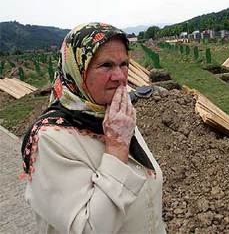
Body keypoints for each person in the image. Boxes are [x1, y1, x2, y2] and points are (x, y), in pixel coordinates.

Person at [20, 22, 166, 233]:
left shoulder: (114, 116)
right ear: (77, 70)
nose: (120, 77)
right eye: (106, 65)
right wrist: (116, 148)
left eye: (124, 64)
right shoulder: (49, 139)